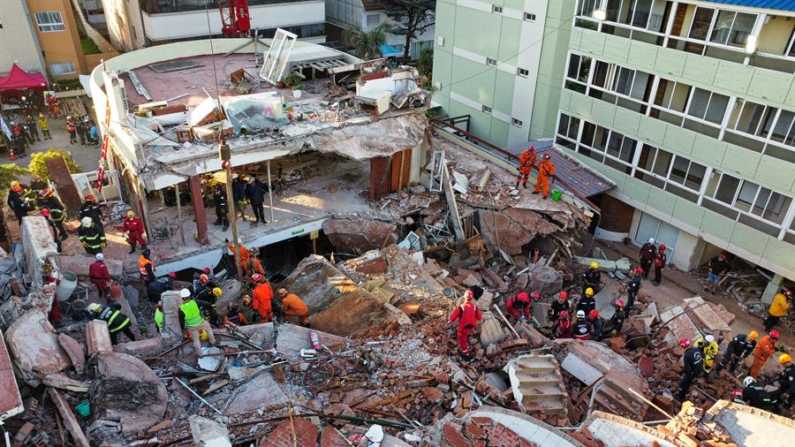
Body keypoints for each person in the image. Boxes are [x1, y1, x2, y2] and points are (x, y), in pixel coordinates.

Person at [178, 288, 217, 356]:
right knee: (209, 329)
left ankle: (200, 354)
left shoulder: (181, 309)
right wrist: (211, 307)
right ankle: (213, 342)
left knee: (196, 340)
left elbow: (181, 321)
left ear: (181, 298)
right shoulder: (195, 302)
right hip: (201, 322)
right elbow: (207, 304)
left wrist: (183, 329)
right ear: (189, 296)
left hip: (192, 327)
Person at [449, 291, 483, 358]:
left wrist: (450, 321)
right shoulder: (474, 307)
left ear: (464, 298)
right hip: (472, 327)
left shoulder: (461, 307)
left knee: (462, 339)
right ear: (471, 298)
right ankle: (469, 344)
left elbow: (452, 318)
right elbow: (479, 318)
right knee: (466, 335)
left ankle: (466, 353)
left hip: (463, 328)